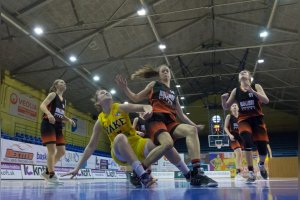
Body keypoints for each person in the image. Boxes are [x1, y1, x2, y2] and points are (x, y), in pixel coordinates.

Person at [116, 64, 218, 187]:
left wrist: (195, 125)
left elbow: (181, 115)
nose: (165, 72)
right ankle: (138, 172)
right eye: (162, 71)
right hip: (156, 119)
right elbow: (136, 98)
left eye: (167, 71)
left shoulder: (174, 93)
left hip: (170, 121)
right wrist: (125, 88)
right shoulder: (154, 85)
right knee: (168, 144)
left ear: (170, 74)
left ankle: (197, 172)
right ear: (159, 75)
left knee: (191, 131)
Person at [221, 70, 270, 183]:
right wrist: (223, 99)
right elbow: (225, 106)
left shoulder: (256, 86)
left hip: (257, 119)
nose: (242, 73)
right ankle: (251, 172)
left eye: (245, 72)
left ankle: (261, 164)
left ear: (249, 77)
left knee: (262, 149)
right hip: (244, 119)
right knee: (246, 139)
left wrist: (253, 91)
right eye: (240, 73)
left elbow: (266, 100)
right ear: (239, 78)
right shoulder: (236, 90)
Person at [40, 79, 75, 183]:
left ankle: (47, 171)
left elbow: (60, 114)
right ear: (56, 85)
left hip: (58, 126)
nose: (64, 83)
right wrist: (49, 114)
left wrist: (68, 119)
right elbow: (42, 105)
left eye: (64, 82)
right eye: (61, 82)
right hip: (48, 124)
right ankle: (51, 175)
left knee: (62, 151)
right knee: (52, 150)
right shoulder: (52, 94)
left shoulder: (64, 100)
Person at [223, 103, 244, 180]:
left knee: (240, 155)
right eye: (232, 106)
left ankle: (239, 173)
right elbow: (225, 127)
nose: (234, 106)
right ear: (230, 109)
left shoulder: (242, 116)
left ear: (238, 108)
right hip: (233, 137)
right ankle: (238, 173)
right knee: (239, 152)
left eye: (236, 105)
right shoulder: (229, 116)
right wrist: (229, 135)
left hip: (241, 137)